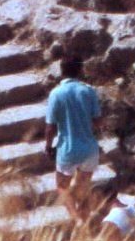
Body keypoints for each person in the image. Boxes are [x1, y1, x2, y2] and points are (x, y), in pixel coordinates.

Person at [43, 55, 103, 231]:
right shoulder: (88, 91)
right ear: (81, 70)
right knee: (83, 190)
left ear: (62, 71)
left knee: (62, 187)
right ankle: (83, 224)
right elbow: (98, 121)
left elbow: (50, 126)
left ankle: (77, 220)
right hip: (89, 149)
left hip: (67, 149)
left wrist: (48, 146)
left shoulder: (56, 94)